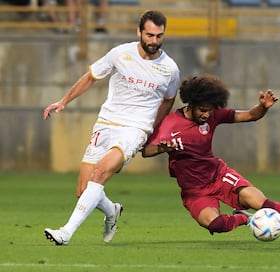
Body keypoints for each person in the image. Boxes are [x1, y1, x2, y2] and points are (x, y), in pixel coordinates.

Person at [141, 74, 280, 247]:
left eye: (210, 110)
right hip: (194, 190)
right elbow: (146, 152)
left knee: (263, 203)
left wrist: (263, 107)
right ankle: (244, 219)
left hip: (219, 175)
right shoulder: (170, 123)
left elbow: (251, 115)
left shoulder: (212, 115)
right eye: (202, 109)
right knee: (214, 224)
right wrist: (161, 148)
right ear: (191, 104)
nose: (206, 114)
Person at [43, 10, 180, 245]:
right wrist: (63, 101)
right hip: (106, 123)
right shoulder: (120, 54)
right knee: (84, 190)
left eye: (159, 36)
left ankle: (65, 233)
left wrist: (152, 131)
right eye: (149, 35)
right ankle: (112, 211)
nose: (154, 41)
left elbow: (168, 100)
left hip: (135, 129)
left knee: (101, 173)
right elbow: (91, 76)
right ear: (139, 31)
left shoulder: (170, 69)